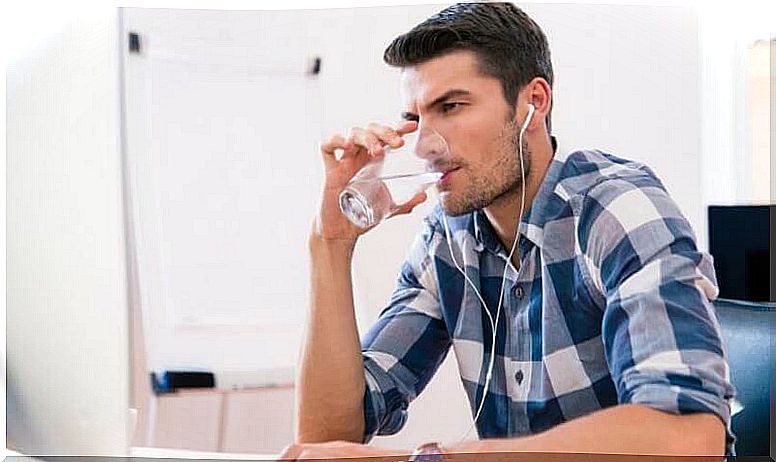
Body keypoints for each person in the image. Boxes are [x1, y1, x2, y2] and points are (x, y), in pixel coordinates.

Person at [280, 2, 735, 460]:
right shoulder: (448, 237)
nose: (423, 147)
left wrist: (431, 460)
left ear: (533, 103)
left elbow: (689, 440)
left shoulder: (615, 209)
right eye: (416, 120)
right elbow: (326, 438)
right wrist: (330, 241)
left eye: (451, 106)